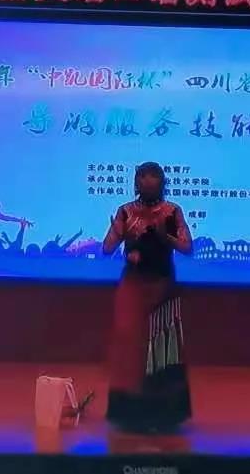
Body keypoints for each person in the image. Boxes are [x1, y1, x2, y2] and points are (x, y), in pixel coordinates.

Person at [102, 161, 193, 432]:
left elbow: (187, 247)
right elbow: (107, 248)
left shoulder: (172, 211)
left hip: (163, 285)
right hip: (132, 286)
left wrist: (166, 237)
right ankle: (129, 414)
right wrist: (120, 233)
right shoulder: (125, 211)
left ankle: (165, 416)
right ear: (137, 182)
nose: (148, 180)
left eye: (153, 176)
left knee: (163, 347)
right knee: (130, 345)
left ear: (162, 181)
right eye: (143, 176)